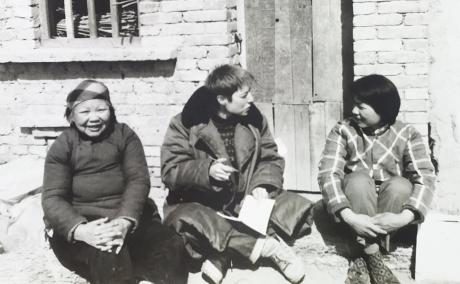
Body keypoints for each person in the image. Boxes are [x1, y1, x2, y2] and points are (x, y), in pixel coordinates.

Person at [160, 64, 313, 284]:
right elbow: (170, 170)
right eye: (244, 95)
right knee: (184, 222)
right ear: (222, 99)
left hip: (244, 200)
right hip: (202, 206)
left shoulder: (254, 119)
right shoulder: (185, 124)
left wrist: (262, 185)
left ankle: (223, 253)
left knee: (297, 211)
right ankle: (267, 246)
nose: (251, 99)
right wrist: (206, 171)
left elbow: (270, 157)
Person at [42, 80, 188, 284]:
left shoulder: (124, 136)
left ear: (111, 110)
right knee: (109, 256)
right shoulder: (63, 146)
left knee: (171, 245)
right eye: (84, 112)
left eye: (101, 109)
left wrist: (124, 222)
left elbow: (138, 180)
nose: (94, 118)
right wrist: (82, 231)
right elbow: (53, 198)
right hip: (86, 229)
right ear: (72, 116)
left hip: (128, 220)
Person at [318, 74, 436, 284]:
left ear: (382, 108)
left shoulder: (407, 134)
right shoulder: (343, 130)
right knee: (357, 181)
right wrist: (351, 217)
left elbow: (425, 177)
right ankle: (373, 257)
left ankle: (362, 258)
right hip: (354, 208)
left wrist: (404, 218)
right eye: (354, 105)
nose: (354, 111)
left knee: (400, 186)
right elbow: (328, 173)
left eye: (361, 107)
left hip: (390, 213)